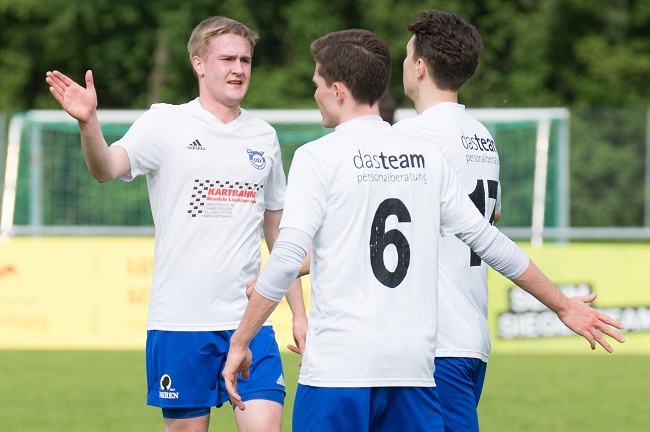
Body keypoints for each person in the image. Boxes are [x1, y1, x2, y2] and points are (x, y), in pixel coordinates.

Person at [221, 29, 624, 431]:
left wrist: (240, 341)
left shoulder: (318, 156)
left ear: (338, 90)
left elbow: (287, 256)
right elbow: (490, 239)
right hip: (413, 370)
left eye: (317, 85)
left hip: (340, 368)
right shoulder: (426, 157)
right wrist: (562, 304)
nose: (315, 94)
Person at [45, 16, 307, 432]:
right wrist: (88, 123)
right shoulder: (164, 122)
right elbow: (105, 168)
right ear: (198, 64)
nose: (239, 69)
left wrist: (299, 314)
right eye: (227, 59)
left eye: (245, 60)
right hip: (181, 323)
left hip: (249, 321)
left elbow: (278, 235)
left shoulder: (264, 136)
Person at [392, 10, 500, 431]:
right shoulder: (482, 136)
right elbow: (493, 218)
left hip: (437, 341)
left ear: (419, 67)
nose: (404, 65)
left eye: (407, 56)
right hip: (471, 334)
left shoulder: (411, 137)